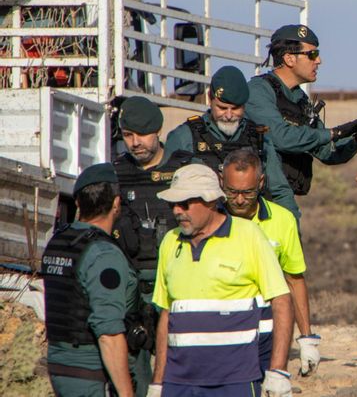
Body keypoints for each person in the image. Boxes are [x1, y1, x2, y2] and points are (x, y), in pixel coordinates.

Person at [149, 164, 294, 396]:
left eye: (184, 203)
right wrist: (158, 382)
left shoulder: (249, 235)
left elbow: (281, 300)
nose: (177, 211)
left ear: (209, 200)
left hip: (235, 382)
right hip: (178, 384)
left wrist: (278, 370)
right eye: (172, 204)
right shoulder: (169, 242)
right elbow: (167, 314)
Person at [245, 24, 357, 221]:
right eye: (312, 54)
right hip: (252, 204)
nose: (319, 61)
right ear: (289, 58)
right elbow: (282, 137)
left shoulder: (300, 99)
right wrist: (332, 133)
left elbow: (327, 152)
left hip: (282, 201)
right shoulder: (258, 91)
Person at [43, 163, 152, 397]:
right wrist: (126, 393)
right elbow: (109, 333)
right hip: (92, 373)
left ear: (78, 203)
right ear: (116, 204)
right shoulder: (103, 254)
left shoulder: (59, 242)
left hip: (61, 367)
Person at [221, 148, 320, 378]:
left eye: (247, 192)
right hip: (224, 326)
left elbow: (294, 278)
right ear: (220, 181)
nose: (238, 200)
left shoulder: (283, 220)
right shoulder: (211, 219)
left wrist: (307, 338)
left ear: (262, 182)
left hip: (268, 327)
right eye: (231, 191)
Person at [163, 65, 296, 214]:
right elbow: (166, 190)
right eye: (222, 107)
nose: (228, 115)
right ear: (209, 98)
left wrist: (292, 228)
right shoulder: (183, 137)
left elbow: (280, 191)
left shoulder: (258, 137)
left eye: (235, 108)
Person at [113, 96, 193, 309]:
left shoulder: (185, 169)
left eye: (142, 133)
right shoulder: (115, 172)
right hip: (130, 285)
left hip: (179, 279)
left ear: (157, 130)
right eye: (128, 135)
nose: (135, 142)